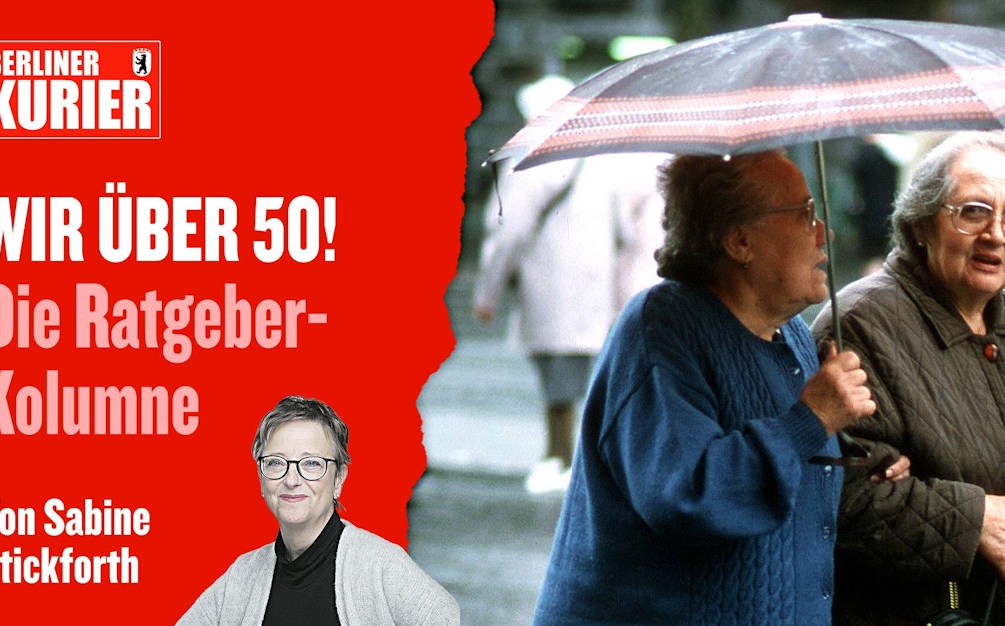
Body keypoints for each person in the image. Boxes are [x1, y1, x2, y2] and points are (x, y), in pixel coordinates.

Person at [531, 150, 879, 625]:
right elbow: (689, 495)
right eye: (804, 215)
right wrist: (811, 418)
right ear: (739, 241)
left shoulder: (792, 332)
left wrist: (864, 462)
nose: (825, 232)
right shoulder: (660, 331)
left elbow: (790, 474)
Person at [814, 132, 1005, 625]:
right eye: (973, 211)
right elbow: (842, 499)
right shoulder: (861, 322)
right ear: (923, 222)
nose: (996, 234)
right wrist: (973, 520)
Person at [474, 72, 669, 494]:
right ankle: (574, 458)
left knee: (558, 380)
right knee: (587, 376)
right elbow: (625, 228)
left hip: (549, 284)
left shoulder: (529, 160)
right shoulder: (596, 157)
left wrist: (487, 292)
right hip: (595, 285)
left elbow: (508, 231)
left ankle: (560, 460)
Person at [179, 396, 459, 625]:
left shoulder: (379, 565)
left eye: (311, 463)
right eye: (276, 463)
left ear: (338, 479)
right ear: (261, 477)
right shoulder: (242, 577)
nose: (291, 479)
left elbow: (443, 614)